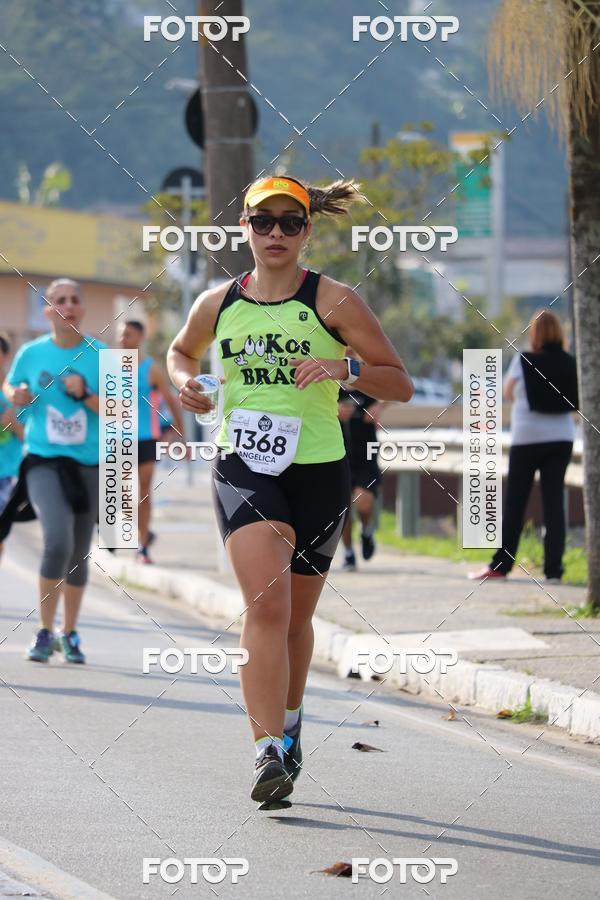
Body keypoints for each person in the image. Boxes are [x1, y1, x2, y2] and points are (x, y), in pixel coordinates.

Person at [167, 174, 413, 803]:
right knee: (267, 607)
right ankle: (265, 751)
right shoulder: (217, 303)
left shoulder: (333, 302)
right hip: (243, 465)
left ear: (307, 231)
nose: (276, 233)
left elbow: (398, 382)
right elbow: (180, 353)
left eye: (291, 222)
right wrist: (186, 385)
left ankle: (292, 722)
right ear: (244, 228)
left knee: (299, 617)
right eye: (263, 221)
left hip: (319, 471)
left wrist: (343, 367)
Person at [2, 279, 105, 662]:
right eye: (59, 300)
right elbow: (12, 388)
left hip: (91, 464)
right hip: (44, 459)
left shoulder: (103, 355)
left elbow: (124, 414)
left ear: (82, 309)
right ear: (47, 311)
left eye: (75, 300)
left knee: (79, 552)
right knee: (57, 540)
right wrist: (17, 395)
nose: (68, 305)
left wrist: (86, 395)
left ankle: (70, 633)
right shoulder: (31, 352)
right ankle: (44, 631)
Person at [470, 309, 578, 584]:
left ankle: (501, 565)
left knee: (516, 502)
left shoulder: (523, 361)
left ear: (534, 333)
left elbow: (507, 393)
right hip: (562, 437)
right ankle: (554, 571)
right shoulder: (571, 362)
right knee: (554, 504)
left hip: (527, 439)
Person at [117, 320, 185, 563]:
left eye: (128, 335)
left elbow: (172, 400)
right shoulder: (110, 367)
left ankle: (142, 545)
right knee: (119, 495)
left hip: (147, 437)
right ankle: (143, 531)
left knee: (144, 492)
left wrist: (182, 435)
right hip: (117, 439)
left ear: (141, 337)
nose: (123, 339)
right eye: (121, 335)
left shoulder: (150, 368)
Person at [338, 349, 384, 571]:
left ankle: (367, 530)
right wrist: (332, 411)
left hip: (366, 450)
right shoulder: (328, 381)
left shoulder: (369, 377)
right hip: (336, 451)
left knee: (363, 501)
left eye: (353, 350)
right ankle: (348, 553)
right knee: (343, 507)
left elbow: (398, 388)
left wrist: (379, 406)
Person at [0, 332, 24, 561]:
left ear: (6, 357)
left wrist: (13, 425)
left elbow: (31, 436)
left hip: (6, 475)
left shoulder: (15, 396)